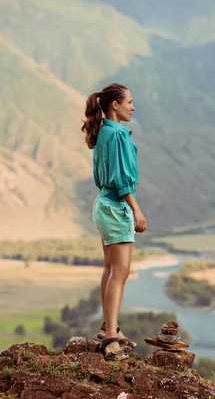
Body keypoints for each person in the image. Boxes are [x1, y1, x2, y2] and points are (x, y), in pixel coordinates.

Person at [81, 83, 147, 361]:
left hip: (103, 205)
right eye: (129, 102)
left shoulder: (103, 132)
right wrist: (137, 210)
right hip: (116, 207)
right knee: (120, 272)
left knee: (110, 269)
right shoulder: (117, 134)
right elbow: (121, 180)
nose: (133, 107)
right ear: (115, 106)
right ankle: (110, 337)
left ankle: (110, 328)